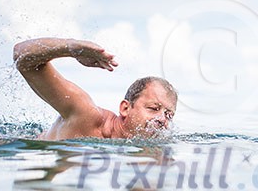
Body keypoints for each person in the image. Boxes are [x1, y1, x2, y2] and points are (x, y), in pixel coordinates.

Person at [13, 37, 177, 140]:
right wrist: (69, 48)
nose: (162, 120)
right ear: (125, 108)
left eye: (169, 115)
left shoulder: (148, 147)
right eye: (154, 108)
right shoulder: (86, 114)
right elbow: (23, 58)